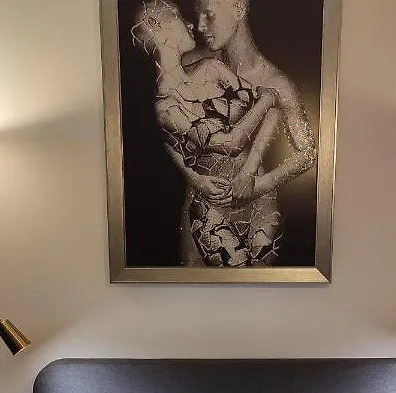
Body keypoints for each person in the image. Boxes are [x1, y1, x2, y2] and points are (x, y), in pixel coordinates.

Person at [132, 0, 283, 266]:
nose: (191, 24)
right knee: (238, 280)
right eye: (178, 17)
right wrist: (267, 99)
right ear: (158, 27)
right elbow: (231, 143)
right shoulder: (165, 108)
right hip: (213, 211)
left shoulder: (212, 68)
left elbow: (275, 112)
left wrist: (249, 172)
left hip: (259, 197)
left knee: (267, 282)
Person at [194, 0, 318, 213]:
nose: (200, 26)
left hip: (253, 216)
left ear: (239, 9)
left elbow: (308, 153)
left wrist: (257, 185)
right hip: (199, 208)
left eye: (209, 14)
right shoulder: (198, 64)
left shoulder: (277, 84)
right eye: (198, 15)